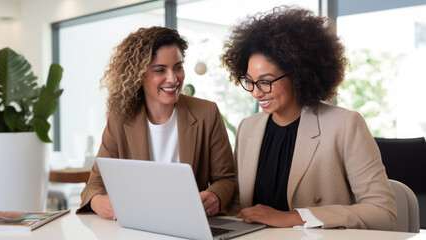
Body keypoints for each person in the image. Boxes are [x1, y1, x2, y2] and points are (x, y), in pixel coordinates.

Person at [220, 6, 396, 230]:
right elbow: (240, 205)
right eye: (250, 81)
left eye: (266, 81)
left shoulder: (344, 125)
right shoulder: (248, 128)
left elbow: (383, 211)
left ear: (297, 75)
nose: (256, 92)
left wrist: (294, 217)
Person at [77, 26, 236, 220]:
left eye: (178, 67)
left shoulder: (206, 113)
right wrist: (99, 202)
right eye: (160, 70)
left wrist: (215, 196)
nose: (173, 78)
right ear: (139, 74)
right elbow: (94, 184)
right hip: (138, 227)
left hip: (189, 225)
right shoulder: (120, 119)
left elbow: (227, 180)